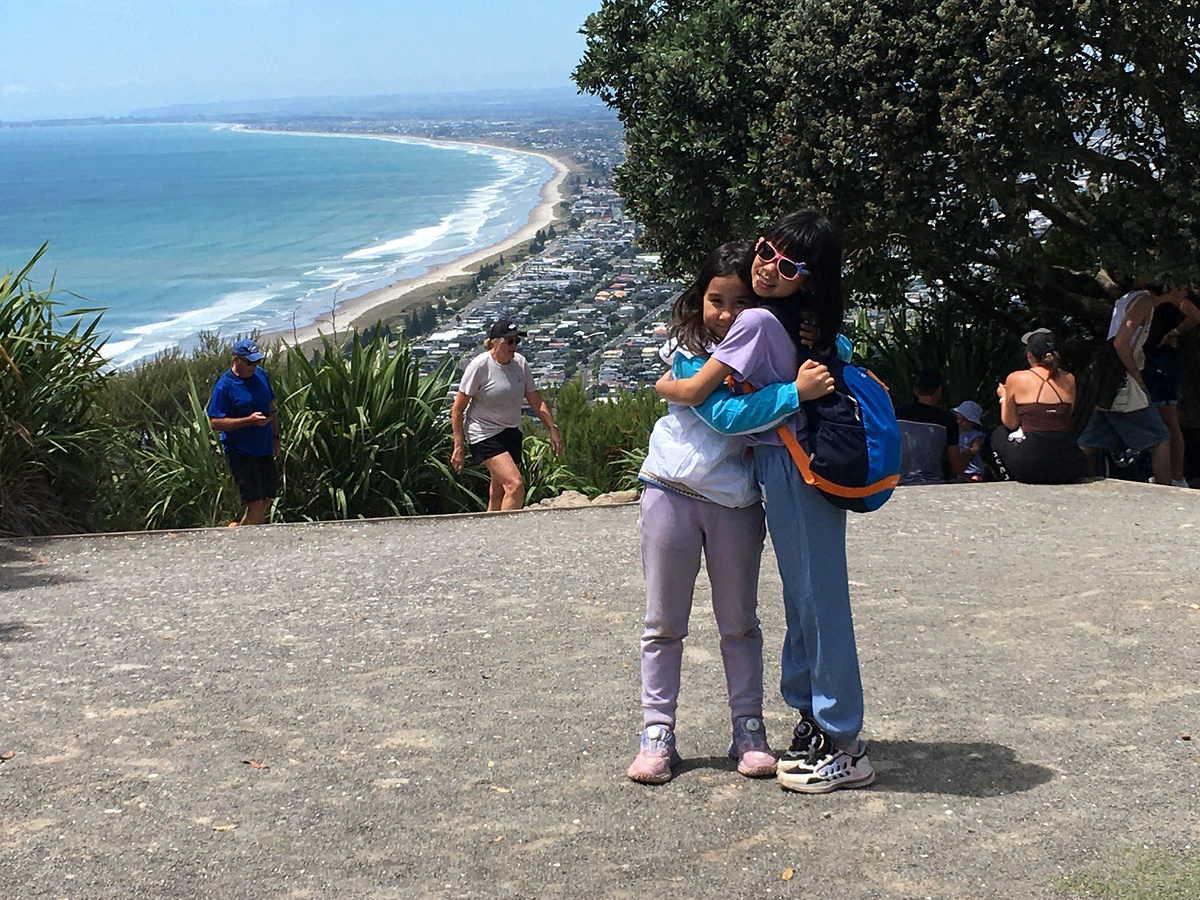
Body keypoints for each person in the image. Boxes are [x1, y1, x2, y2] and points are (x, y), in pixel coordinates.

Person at [655, 209, 876, 794]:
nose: (768, 267)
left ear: (810, 277)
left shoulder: (755, 318)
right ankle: (814, 720)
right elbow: (835, 352)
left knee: (818, 600)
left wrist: (667, 385)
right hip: (792, 465)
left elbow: (705, 396)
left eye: (788, 264)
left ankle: (843, 741)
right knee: (807, 598)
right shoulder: (792, 319)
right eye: (765, 250)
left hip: (795, 465)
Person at [630, 241, 812, 784]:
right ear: (698, 300)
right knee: (663, 623)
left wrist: (816, 344)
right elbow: (725, 416)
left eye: (738, 302)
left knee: (739, 623)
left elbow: (834, 349)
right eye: (715, 299)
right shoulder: (687, 350)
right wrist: (792, 395)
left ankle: (748, 728)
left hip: (736, 500)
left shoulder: (767, 340)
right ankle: (657, 730)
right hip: (671, 488)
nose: (726, 314)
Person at [450, 321, 562, 511]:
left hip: (511, 430)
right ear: (495, 343)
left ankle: (490, 533)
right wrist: (458, 445)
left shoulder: (520, 363)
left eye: (516, 341)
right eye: (509, 342)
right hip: (484, 433)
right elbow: (458, 409)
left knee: (499, 491)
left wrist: (552, 427)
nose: (514, 346)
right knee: (515, 484)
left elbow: (535, 400)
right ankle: (508, 532)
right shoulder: (479, 366)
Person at [1077, 285, 1176, 484]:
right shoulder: (1145, 301)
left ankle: (1081, 481)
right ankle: (1167, 491)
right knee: (1160, 438)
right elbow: (1121, 342)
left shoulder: (1128, 298)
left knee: (1089, 441)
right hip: (1121, 375)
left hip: (1105, 376)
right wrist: (1137, 377)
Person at [992, 328, 1085, 484]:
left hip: (1031, 465)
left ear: (1029, 355)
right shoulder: (1069, 378)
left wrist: (1003, 398)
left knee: (998, 434)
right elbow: (1067, 415)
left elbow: (1010, 423)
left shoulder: (1016, 378)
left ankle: (1009, 479)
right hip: (1069, 464)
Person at [207, 338, 281, 527]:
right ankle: (254, 541)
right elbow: (215, 422)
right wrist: (248, 420)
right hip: (241, 451)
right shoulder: (225, 386)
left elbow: (271, 407)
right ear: (236, 360)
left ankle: (240, 529)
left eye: (256, 362)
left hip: (264, 447)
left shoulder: (261, 375)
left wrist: (276, 437)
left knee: (267, 498)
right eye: (249, 363)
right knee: (254, 501)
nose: (253, 367)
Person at [1142, 289, 1200, 486]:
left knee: (1168, 418)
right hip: (1148, 358)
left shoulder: (1170, 292)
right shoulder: (1143, 294)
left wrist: (1173, 333)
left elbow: (1194, 315)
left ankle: (1177, 476)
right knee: (1156, 417)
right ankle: (1163, 471)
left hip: (1162, 360)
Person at [895, 369, 964, 484]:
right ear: (939, 390)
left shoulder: (898, 415)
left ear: (915, 391)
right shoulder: (946, 420)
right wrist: (971, 452)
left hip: (898, 482)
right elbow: (956, 466)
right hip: (932, 482)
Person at [952, 400, 986, 482]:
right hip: (961, 467)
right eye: (958, 419)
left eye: (964, 420)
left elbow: (976, 447)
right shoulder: (958, 434)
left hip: (973, 468)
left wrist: (971, 451)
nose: (960, 422)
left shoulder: (974, 434)